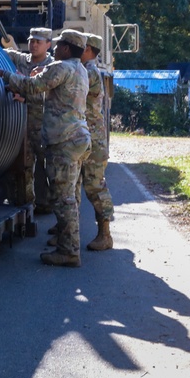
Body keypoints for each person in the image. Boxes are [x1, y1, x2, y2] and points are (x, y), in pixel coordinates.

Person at [0, 29, 90, 267]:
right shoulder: (80, 70)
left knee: (63, 199)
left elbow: (33, 87)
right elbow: (54, 97)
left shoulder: (60, 67)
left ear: (65, 48)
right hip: (77, 138)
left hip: (63, 140)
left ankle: (69, 251)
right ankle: (68, 243)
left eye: (59, 45)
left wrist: (3, 74)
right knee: (70, 197)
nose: (56, 48)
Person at [0, 27, 54, 211]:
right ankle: (26, 203)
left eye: (39, 41)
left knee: (45, 165)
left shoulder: (53, 67)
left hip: (43, 124)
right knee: (23, 163)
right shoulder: (21, 59)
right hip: (21, 124)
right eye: (32, 40)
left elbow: (50, 95)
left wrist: (25, 97)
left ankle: (45, 202)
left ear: (49, 44)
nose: (34, 44)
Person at [80, 33, 114, 250]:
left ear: (90, 50)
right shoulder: (84, 70)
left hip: (93, 139)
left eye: (81, 47)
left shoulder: (89, 73)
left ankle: (105, 234)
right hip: (86, 136)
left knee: (95, 186)